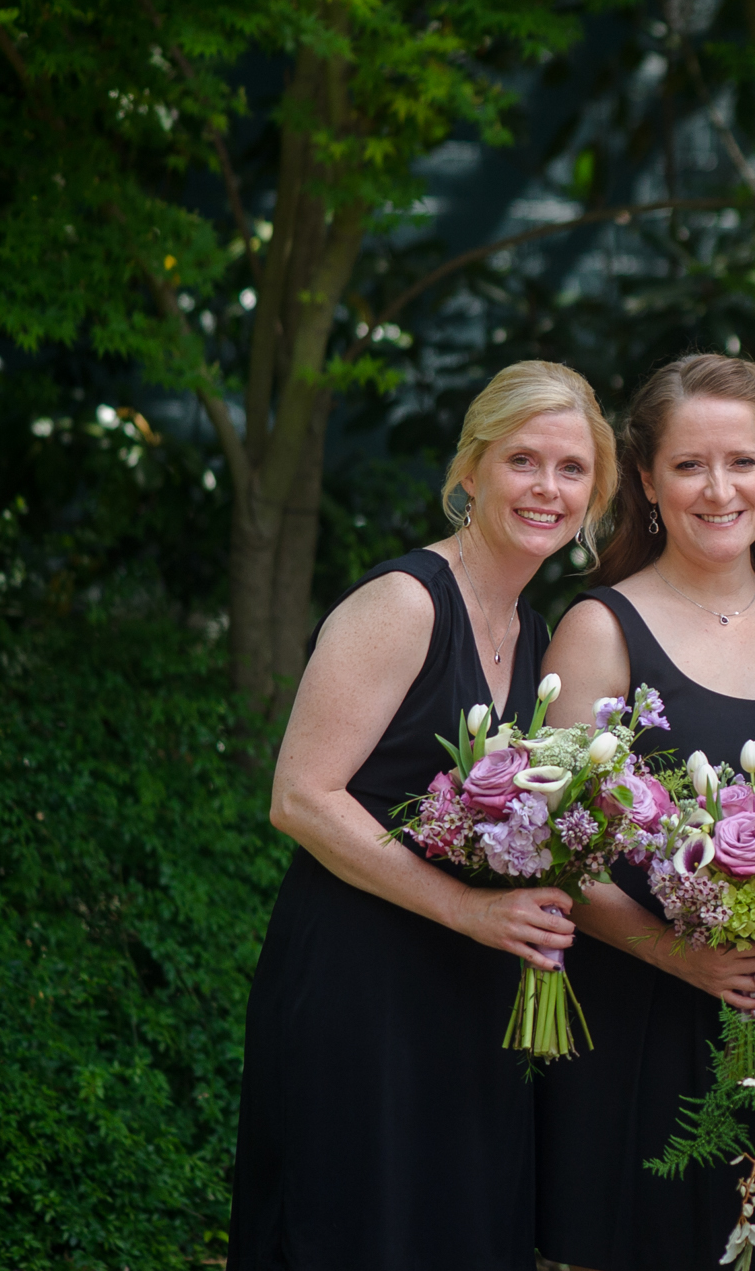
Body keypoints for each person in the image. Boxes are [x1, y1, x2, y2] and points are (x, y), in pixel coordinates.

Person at [229, 360, 615, 1270]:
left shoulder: (531, 629)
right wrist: (469, 908)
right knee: (356, 1226)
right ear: (470, 470)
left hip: (465, 991)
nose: (546, 489)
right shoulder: (404, 602)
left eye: (572, 470)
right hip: (361, 984)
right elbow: (300, 797)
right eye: (524, 460)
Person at [535, 353, 755, 1271]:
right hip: (636, 1029)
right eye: (690, 465)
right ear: (648, 482)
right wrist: (684, 956)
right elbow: (553, 853)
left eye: (742, 462)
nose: (719, 489)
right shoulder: (600, 627)